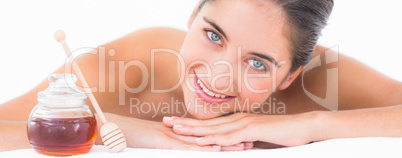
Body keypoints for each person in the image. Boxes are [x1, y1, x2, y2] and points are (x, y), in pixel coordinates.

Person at [1, 0, 401, 152]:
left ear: (291, 73)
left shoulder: (317, 80)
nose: (218, 79)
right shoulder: (128, 65)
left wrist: (310, 125)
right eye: (213, 35)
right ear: (192, 15)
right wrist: (118, 128)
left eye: (257, 63)